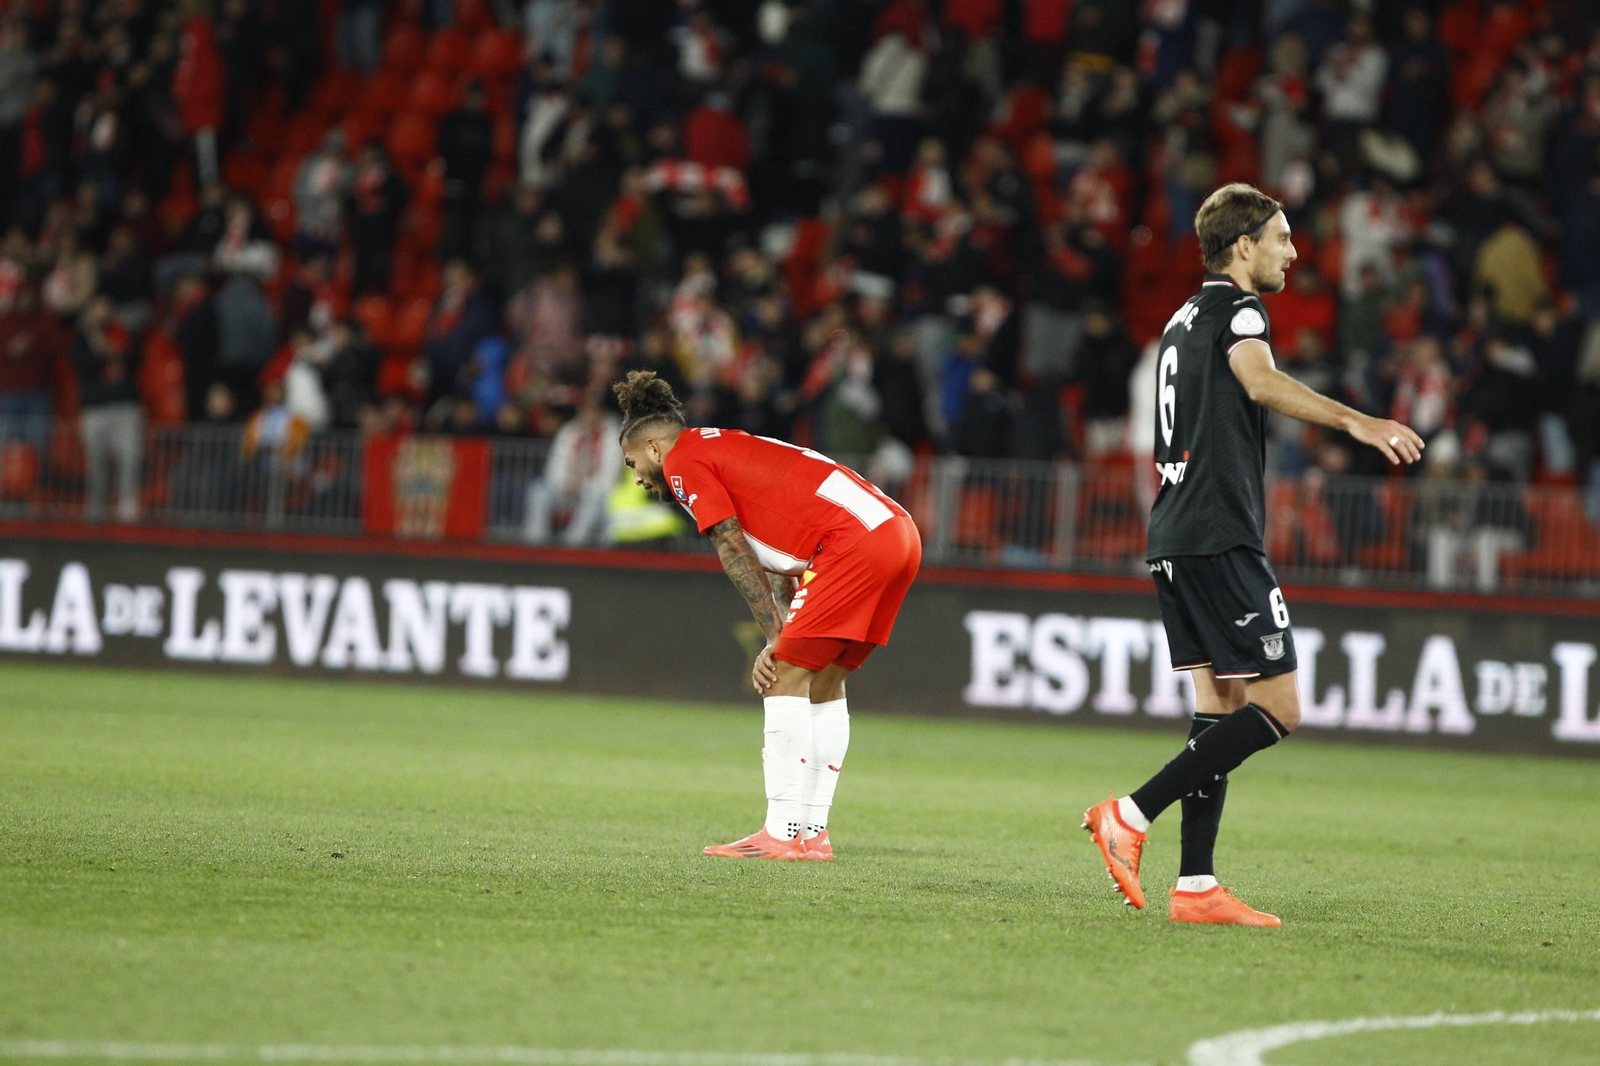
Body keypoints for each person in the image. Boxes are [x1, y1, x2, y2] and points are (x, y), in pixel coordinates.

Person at [1081, 183, 1424, 926]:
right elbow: (1259, 380)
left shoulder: (1180, 319)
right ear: (1243, 246)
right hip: (1218, 533)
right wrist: (1359, 423)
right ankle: (1131, 815)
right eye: (1281, 239)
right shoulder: (1240, 310)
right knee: (1280, 706)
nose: (1293, 252)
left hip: (1173, 531)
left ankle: (1197, 886)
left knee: (1221, 706)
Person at [612, 370, 921, 862]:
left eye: (632, 464)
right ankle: (813, 835)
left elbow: (733, 546)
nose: (637, 479)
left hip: (852, 543)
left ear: (653, 447)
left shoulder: (683, 462)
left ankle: (781, 832)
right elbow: (774, 563)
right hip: (896, 532)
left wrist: (777, 641)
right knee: (821, 681)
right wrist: (781, 635)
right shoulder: (725, 447)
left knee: (782, 679)